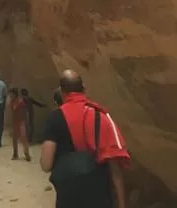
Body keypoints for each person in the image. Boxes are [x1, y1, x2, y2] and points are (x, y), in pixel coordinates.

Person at [40, 70, 130, 208]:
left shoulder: (54, 118)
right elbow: (115, 169)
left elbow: (46, 164)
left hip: (68, 197)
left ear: (62, 93)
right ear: (84, 89)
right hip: (100, 197)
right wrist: (122, 204)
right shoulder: (101, 116)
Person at [9, 88, 31, 161]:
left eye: (11, 94)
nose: (10, 95)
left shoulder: (20, 102)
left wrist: (26, 122)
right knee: (14, 139)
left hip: (21, 122)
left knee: (23, 137)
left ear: (15, 94)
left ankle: (27, 154)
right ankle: (15, 154)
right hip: (15, 122)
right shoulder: (11, 102)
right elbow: (12, 113)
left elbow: (25, 112)